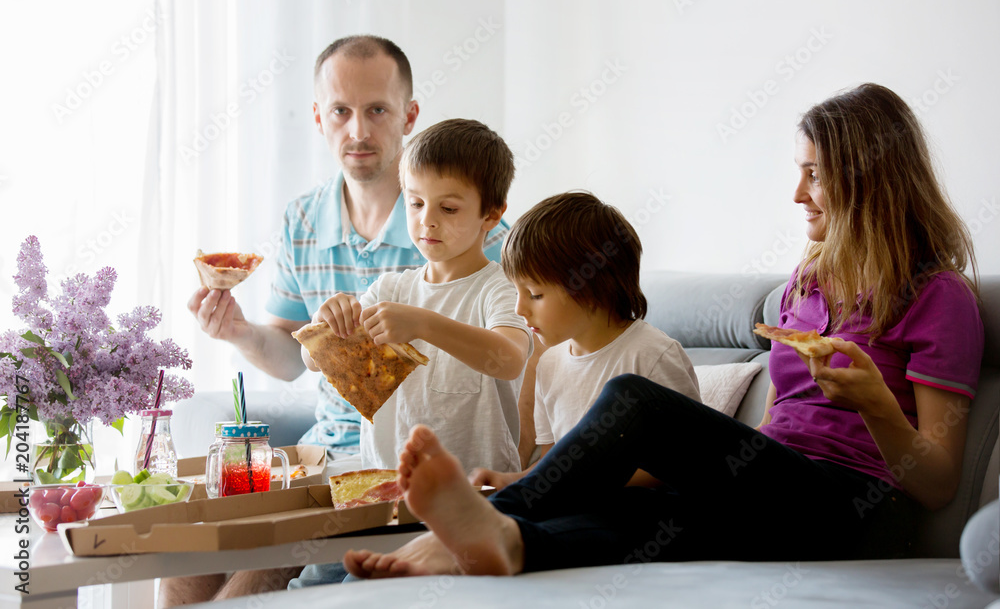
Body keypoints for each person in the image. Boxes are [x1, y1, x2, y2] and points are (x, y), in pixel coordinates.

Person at [342, 82, 985, 579]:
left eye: (814, 173)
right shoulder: (805, 288)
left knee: (634, 401)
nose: (797, 192)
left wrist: (876, 404)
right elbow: (776, 433)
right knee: (639, 515)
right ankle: (503, 542)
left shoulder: (938, 298)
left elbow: (937, 483)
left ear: (867, 176)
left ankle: (471, 525)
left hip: (855, 508)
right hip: (776, 489)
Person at [168, 36, 509, 605]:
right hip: (323, 453)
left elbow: (515, 353)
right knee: (184, 562)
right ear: (319, 118)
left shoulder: (466, 223)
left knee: (249, 586)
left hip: (409, 460)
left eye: (377, 109)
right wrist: (241, 332)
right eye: (341, 111)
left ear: (410, 116)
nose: (358, 131)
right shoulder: (301, 218)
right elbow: (290, 357)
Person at [306, 117, 531, 474]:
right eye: (415, 203)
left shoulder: (499, 289)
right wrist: (324, 324)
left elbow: (510, 359)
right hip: (385, 484)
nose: (427, 220)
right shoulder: (389, 290)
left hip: (476, 492)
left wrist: (424, 324)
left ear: (491, 214)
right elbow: (315, 360)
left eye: (449, 208)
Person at [469, 191, 701, 491]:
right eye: (516, 292)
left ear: (593, 286)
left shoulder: (653, 355)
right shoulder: (548, 365)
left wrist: (585, 484)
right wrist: (510, 481)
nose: (519, 309)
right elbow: (554, 467)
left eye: (535, 294)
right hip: (575, 509)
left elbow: (688, 460)